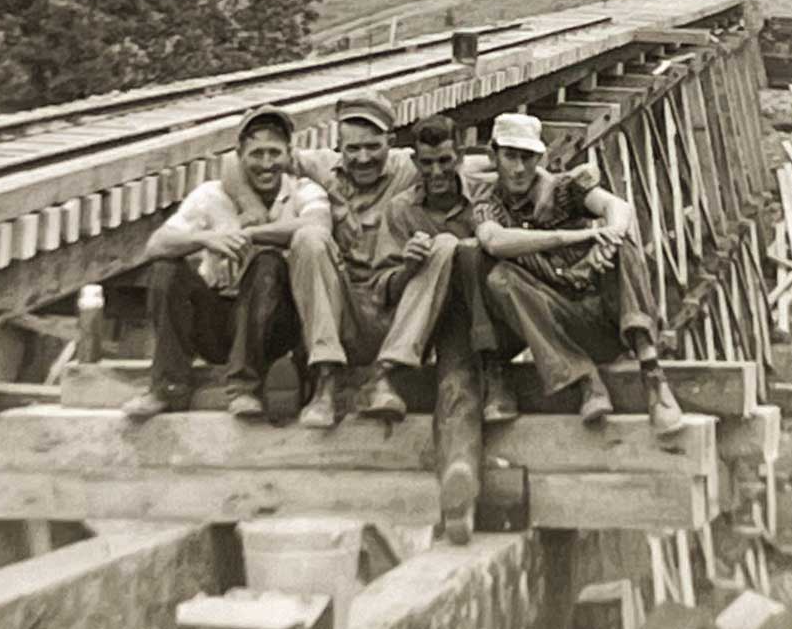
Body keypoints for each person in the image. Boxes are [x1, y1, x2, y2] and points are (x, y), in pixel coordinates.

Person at [472, 112, 686, 442]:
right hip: (554, 327)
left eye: (527, 158)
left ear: (540, 158)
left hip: (604, 323)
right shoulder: (489, 205)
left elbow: (618, 207)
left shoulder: (564, 187)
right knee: (500, 278)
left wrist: (610, 236)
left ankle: (653, 374)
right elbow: (492, 241)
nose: (518, 169)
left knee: (623, 246)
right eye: (510, 157)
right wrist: (573, 238)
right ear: (493, 156)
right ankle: (585, 380)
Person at [123, 104, 333, 422]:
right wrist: (204, 239)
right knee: (166, 269)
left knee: (268, 263)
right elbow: (155, 245)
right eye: (256, 154)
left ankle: (245, 388)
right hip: (218, 321)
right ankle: (166, 387)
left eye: (274, 153)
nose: (266, 164)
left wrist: (251, 234)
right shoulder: (211, 194)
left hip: (275, 326)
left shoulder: (303, 190)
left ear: (289, 154)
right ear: (240, 155)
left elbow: (318, 226)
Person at [284, 90, 429, 426]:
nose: (363, 158)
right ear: (339, 146)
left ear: (390, 141)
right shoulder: (322, 166)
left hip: (392, 311)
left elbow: (473, 163)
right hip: (338, 312)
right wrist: (335, 201)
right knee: (308, 237)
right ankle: (326, 380)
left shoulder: (410, 167)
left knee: (440, 249)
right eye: (353, 148)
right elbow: (238, 159)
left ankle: (385, 377)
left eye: (373, 147)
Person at [364, 114, 518, 424]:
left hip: (485, 315)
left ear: (461, 156)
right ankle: (388, 369)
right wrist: (408, 267)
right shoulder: (400, 209)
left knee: (463, 248)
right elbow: (382, 291)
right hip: (427, 321)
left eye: (445, 161)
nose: (437, 172)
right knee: (445, 245)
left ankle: (492, 371)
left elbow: (534, 179)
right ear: (415, 162)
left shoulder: (487, 194)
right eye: (427, 163)